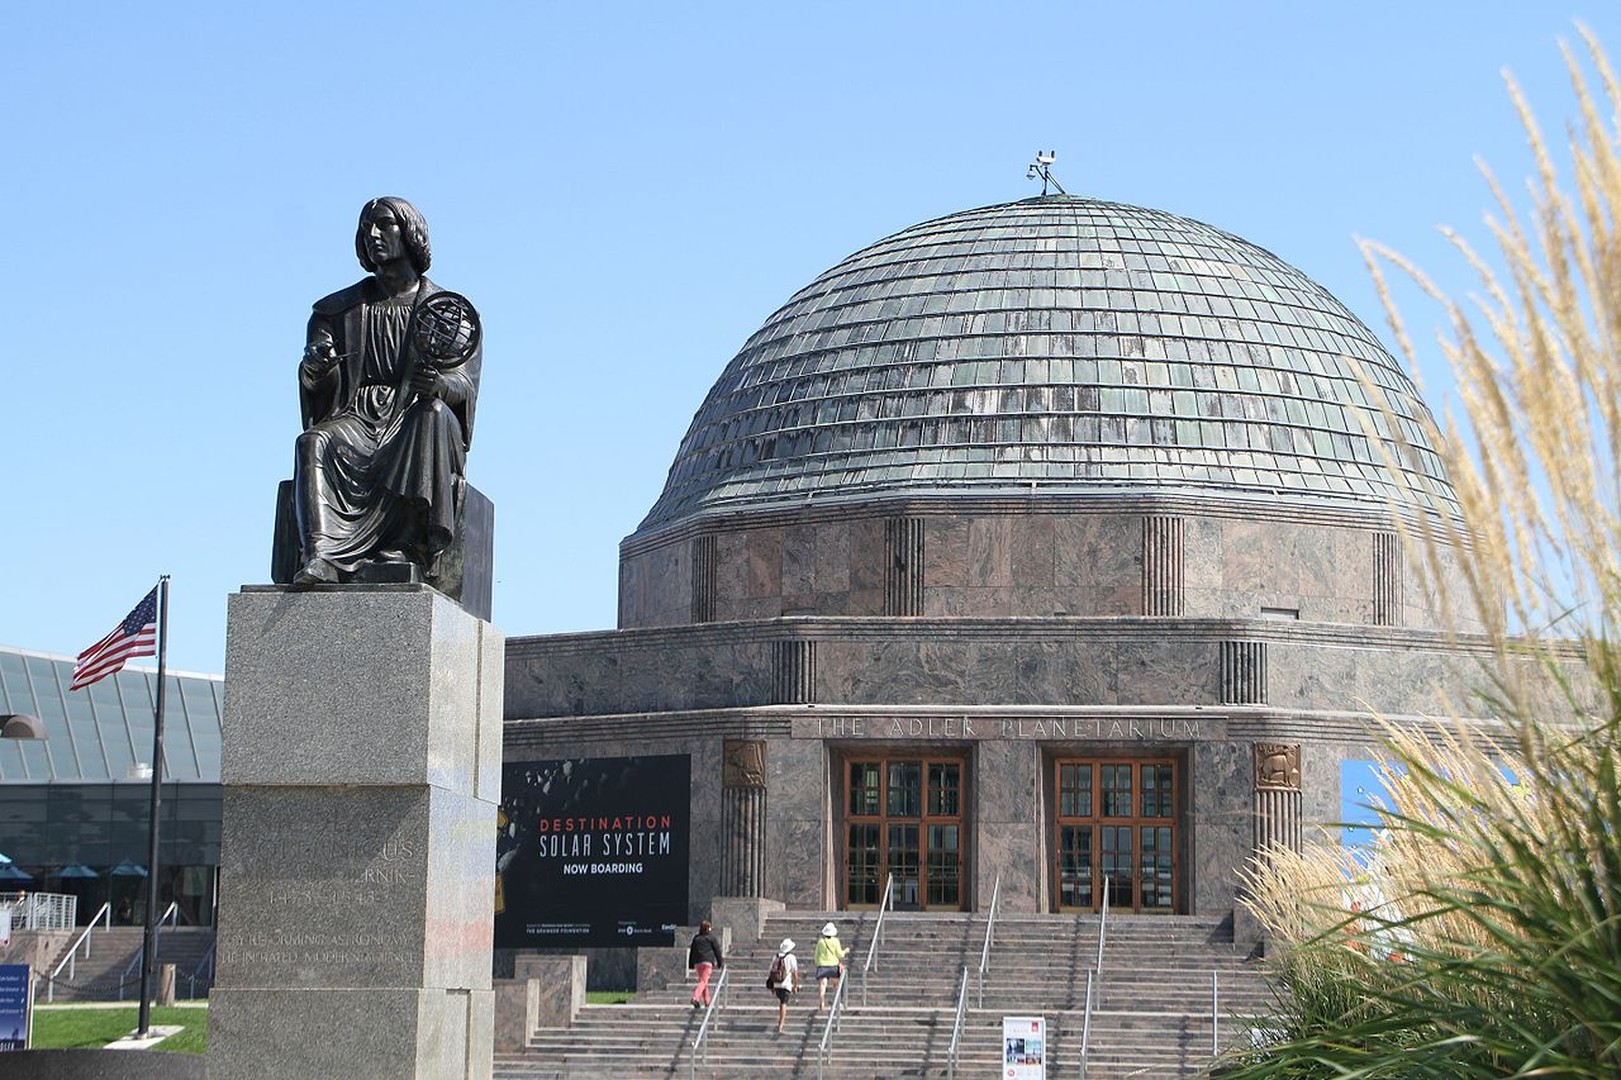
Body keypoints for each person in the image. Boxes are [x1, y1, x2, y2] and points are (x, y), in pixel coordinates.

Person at [290, 196, 482, 588]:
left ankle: (408, 544)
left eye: (383, 225)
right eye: (366, 228)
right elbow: (317, 383)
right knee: (313, 441)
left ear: (409, 233)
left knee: (431, 416)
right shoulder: (336, 311)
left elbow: (464, 382)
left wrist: (441, 385)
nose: (373, 235)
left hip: (412, 414)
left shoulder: (447, 312)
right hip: (356, 417)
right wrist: (317, 367)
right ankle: (322, 555)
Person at [687, 919, 724, 1010]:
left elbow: (692, 951)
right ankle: (695, 997)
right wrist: (720, 962)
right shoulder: (711, 938)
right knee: (703, 981)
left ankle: (707, 1001)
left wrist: (691, 964)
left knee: (703, 981)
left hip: (698, 963)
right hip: (707, 962)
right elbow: (717, 951)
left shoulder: (696, 938)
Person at [812, 921, 849, 1010]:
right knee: (836, 985)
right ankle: (837, 1001)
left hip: (822, 965)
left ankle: (822, 1002)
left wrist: (817, 964)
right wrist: (846, 951)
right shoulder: (836, 941)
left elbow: (816, 955)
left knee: (823, 984)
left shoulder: (821, 942)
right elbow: (840, 954)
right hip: (833, 965)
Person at [769, 937, 799, 1034]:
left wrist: (772, 985)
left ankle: (780, 1020)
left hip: (776, 983)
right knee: (784, 1003)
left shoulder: (776, 956)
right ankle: (781, 1023)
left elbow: (771, 970)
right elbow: (795, 973)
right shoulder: (791, 957)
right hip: (785, 984)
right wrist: (795, 985)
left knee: (781, 1002)